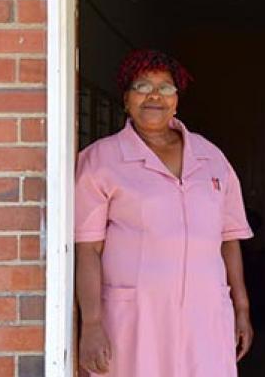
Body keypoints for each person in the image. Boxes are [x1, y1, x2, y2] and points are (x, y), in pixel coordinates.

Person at [75, 49, 254, 376]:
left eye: (166, 87)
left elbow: (229, 240)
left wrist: (241, 308)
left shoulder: (211, 158)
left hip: (206, 315)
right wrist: (91, 323)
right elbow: (88, 248)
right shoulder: (101, 160)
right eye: (142, 86)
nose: (154, 95)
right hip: (135, 318)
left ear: (177, 100)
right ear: (126, 98)